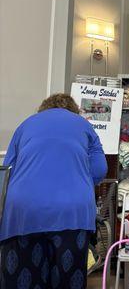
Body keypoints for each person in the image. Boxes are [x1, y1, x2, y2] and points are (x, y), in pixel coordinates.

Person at [0, 93, 108, 289]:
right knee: (68, 280)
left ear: (43, 109)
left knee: (23, 279)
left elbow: (7, 170)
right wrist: (78, 182)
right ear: (74, 111)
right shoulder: (83, 126)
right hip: (72, 213)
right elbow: (100, 169)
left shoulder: (25, 125)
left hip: (23, 213)